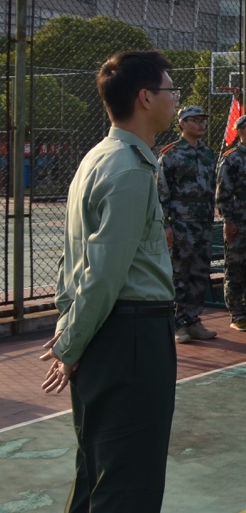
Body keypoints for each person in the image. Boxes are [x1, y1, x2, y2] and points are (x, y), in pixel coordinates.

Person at [41, 50, 178, 512]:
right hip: (130, 338)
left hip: (107, 335)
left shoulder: (99, 157)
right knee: (128, 483)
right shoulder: (130, 169)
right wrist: (71, 344)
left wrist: (71, 330)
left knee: (98, 472)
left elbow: (72, 263)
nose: (175, 99)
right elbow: (103, 272)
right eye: (170, 89)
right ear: (145, 98)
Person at [157, 104, 217, 343]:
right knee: (179, 273)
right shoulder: (171, 154)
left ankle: (193, 320)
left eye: (203, 120)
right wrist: (166, 224)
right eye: (195, 120)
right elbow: (162, 192)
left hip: (203, 221)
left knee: (199, 273)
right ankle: (176, 323)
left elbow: (211, 187)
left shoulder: (208, 153)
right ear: (182, 123)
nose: (201, 123)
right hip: (181, 222)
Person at [216, 113, 246, 330]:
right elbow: (223, 192)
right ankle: (237, 314)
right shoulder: (232, 157)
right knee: (236, 268)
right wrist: (228, 220)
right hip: (240, 222)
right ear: (241, 131)